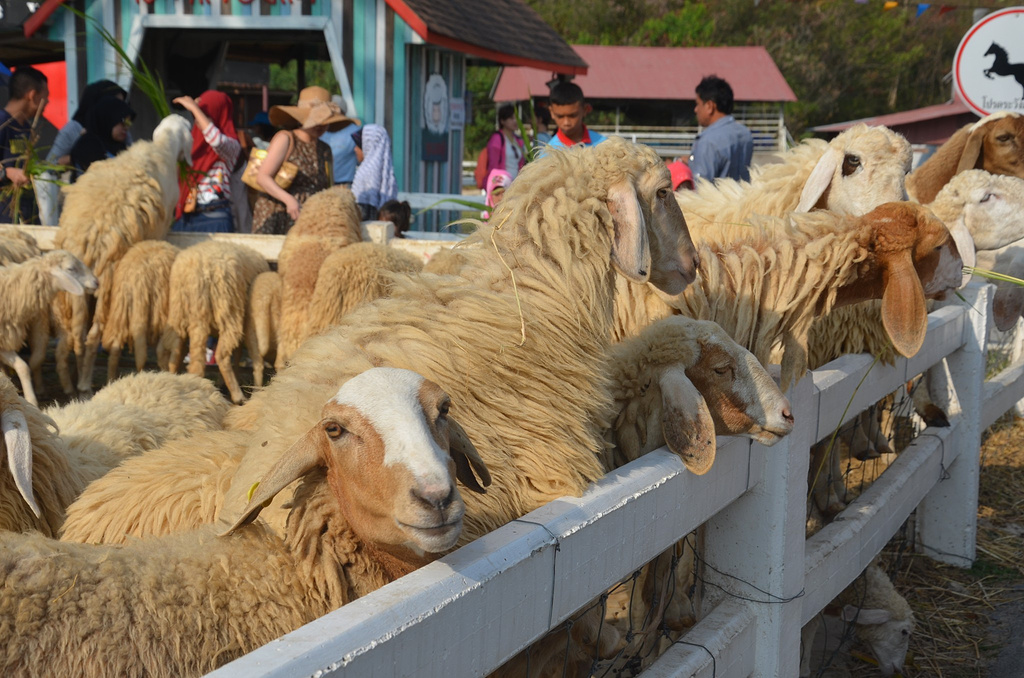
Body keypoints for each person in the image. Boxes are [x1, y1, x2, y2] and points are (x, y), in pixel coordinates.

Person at [252, 86, 353, 235]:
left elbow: (327, 187)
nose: (321, 126)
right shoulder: (286, 139)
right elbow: (262, 177)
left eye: (325, 121)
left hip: (309, 220)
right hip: (279, 213)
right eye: (317, 121)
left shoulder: (325, 149)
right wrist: (288, 200)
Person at [171, 90, 241, 233]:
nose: (199, 120)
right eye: (196, 116)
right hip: (186, 216)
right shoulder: (191, 145)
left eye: (205, 115)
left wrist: (195, 108)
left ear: (219, 115)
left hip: (214, 216)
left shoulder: (232, 146)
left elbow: (216, 141)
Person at [0, 66, 49, 224]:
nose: (47, 102)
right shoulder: (2, 123)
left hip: (24, 216)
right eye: (45, 96)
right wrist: (7, 173)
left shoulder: (27, 129)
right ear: (33, 95)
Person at [688, 75, 754, 183]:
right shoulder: (744, 133)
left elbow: (699, 187)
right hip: (742, 197)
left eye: (698, 104)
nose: (696, 110)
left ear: (710, 106)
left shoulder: (708, 142)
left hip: (716, 199)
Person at [68, 96, 135, 176]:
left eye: (129, 123)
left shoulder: (121, 146)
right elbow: (101, 177)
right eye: (124, 122)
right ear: (109, 119)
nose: (126, 127)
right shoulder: (88, 145)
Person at [351, 124, 398, 221]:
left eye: (359, 145)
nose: (355, 149)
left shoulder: (364, 173)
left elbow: (359, 211)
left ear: (368, 146)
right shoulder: (388, 175)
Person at [544, 81, 606, 152]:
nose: (566, 122)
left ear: (585, 110)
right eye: (560, 116)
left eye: (572, 116)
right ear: (551, 112)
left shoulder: (604, 146)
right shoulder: (548, 154)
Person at [320, 94, 363, 187]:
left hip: (344, 184)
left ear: (342, 113)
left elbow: (362, 157)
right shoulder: (320, 129)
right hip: (321, 183)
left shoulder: (354, 131)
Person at [484, 104, 526, 182]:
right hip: (501, 184)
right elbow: (493, 166)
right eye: (511, 118)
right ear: (502, 121)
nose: (515, 121)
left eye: (516, 118)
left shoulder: (518, 140)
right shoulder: (497, 139)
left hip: (515, 185)